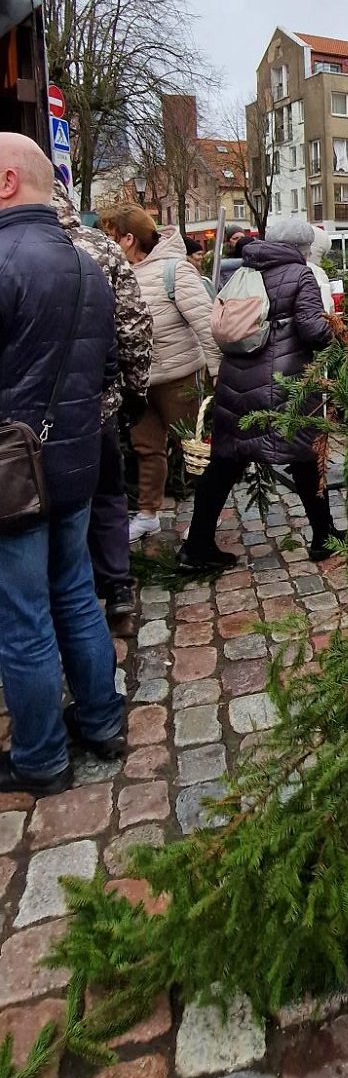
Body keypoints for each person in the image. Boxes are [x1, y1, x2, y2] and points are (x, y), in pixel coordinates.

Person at [0, 135, 124, 794]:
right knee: (75, 593)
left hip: (13, 475)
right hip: (76, 461)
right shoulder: (88, 267)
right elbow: (103, 372)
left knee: (22, 618)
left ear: (6, 183)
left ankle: (42, 758)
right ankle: (103, 721)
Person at [178, 216, 339, 572]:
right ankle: (323, 536)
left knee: (225, 463)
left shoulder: (241, 271)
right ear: (302, 248)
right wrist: (341, 335)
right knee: (306, 458)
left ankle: (197, 544)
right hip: (283, 385)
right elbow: (313, 330)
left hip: (237, 381)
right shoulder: (301, 275)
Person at [53, 180, 153, 628]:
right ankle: (116, 588)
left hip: (19, 422)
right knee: (107, 496)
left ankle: (58, 596)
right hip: (97, 406)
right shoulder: (100, 248)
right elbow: (132, 326)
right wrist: (135, 391)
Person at [102, 207, 220, 542]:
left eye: (111, 236)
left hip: (179, 377)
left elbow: (205, 323)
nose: (106, 243)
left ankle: (204, 518)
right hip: (138, 383)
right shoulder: (115, 274)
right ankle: (148, 514)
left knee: (193, 449)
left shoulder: (175, 271)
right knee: (146, 448)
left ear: (128, 239)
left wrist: (218, 373)